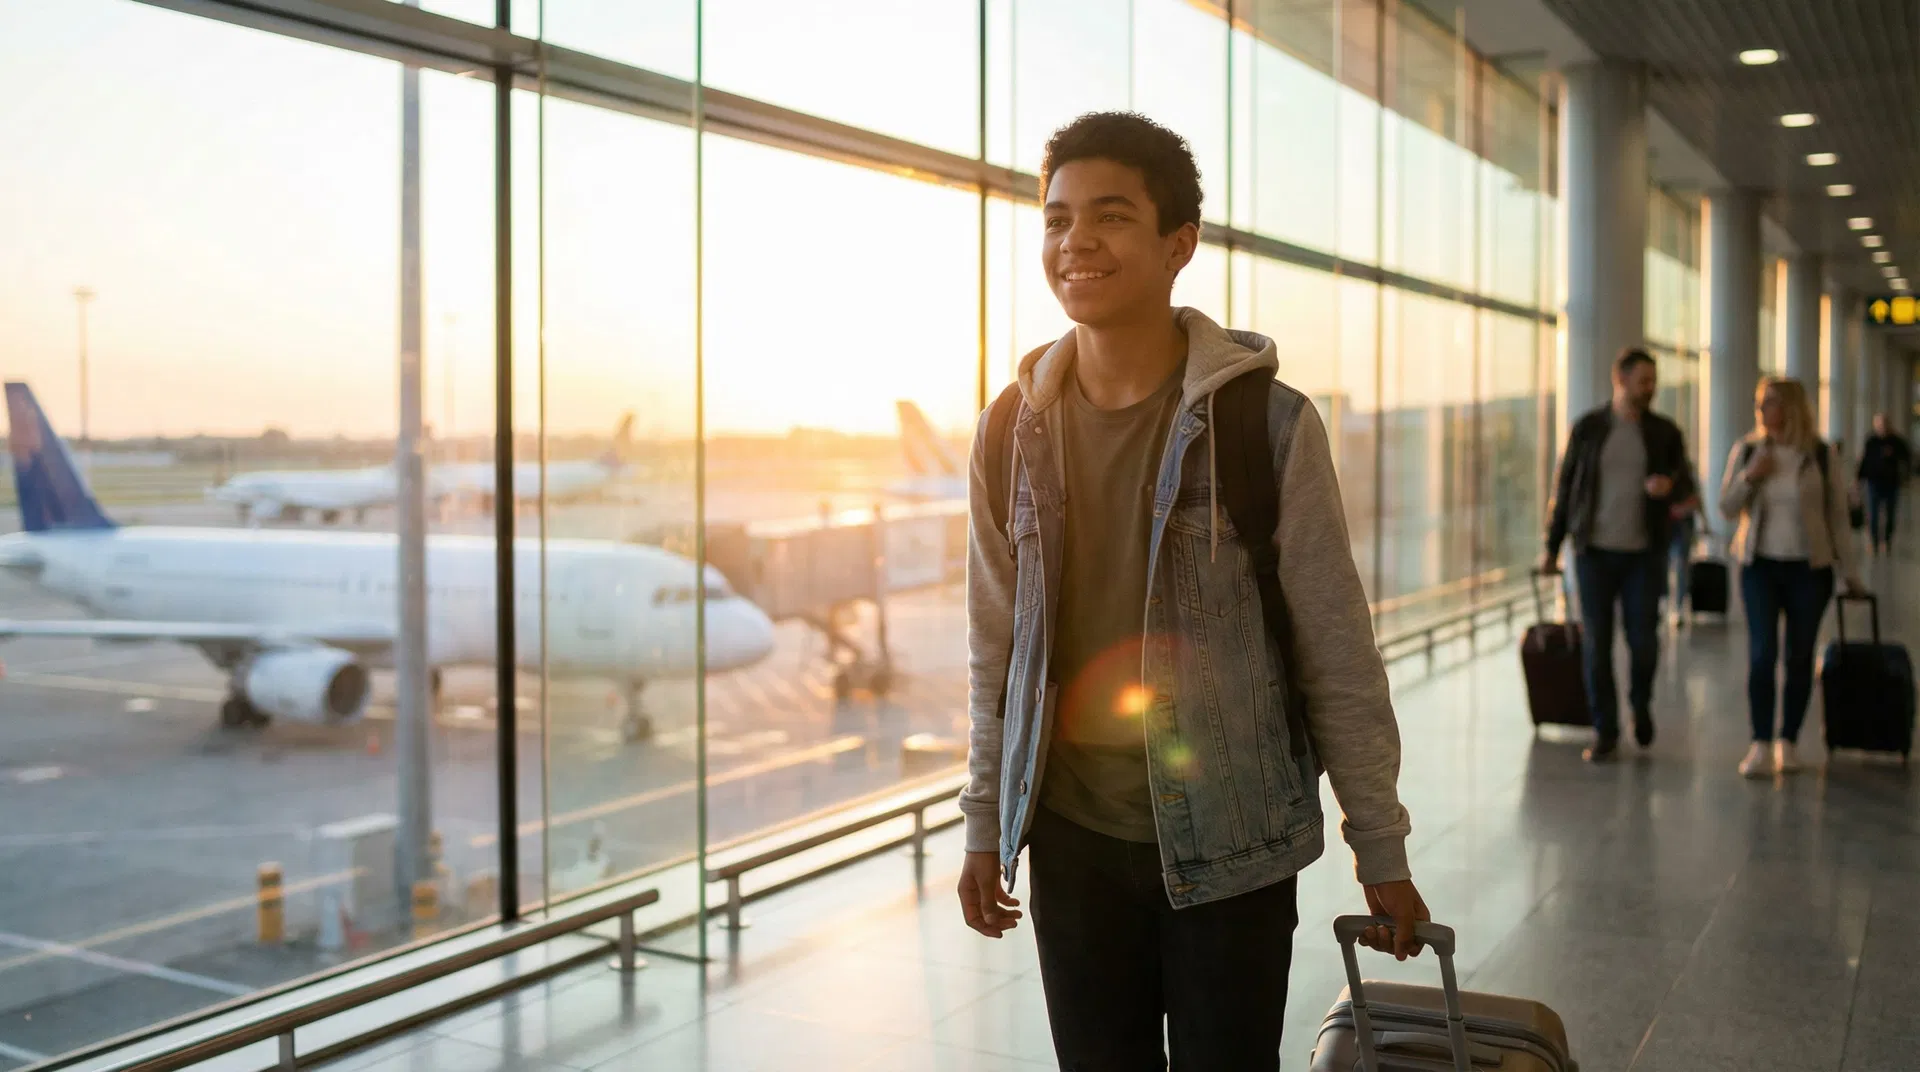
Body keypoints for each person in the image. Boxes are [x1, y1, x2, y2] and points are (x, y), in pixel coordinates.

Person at [956, 112, 1426, 1071]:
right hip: (1073, 839)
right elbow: (994, 644)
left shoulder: (1267, 424)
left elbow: (1335, 648)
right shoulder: (1013, 429)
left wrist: (1379, 845)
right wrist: (981, 820)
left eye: (1110, 216)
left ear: (1180, 244)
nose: (1075, 240)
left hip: (1233, 846)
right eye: (1055, 219)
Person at [1540, 349, 1696, 762]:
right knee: (1597, 644)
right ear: (1620, 379)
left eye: (1653, 380)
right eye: (1644, 380)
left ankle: (1640, 704)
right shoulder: (1589, 429)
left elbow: (1687, 485)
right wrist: (1551, 548)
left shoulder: (1665, 432)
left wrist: (1670, 490)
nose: (1651, 388)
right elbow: (1567, 488)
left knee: (1644, 642)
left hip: (1644, 554)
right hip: (1593, 553)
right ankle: (1605, 730)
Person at [1720, 378, 1865, 777]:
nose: (1762, 410)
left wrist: (1850, 573)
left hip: (1808, 569)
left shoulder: (1819, 454)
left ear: (1791, 407)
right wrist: (1751, 475)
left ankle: (1788, 741)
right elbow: (1727, 508)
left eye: (1769, 403)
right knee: (1762, 654)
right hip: (1759, 566)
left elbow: (1837, 516)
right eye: (1759, 402)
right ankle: (1760, 743)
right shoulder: (1748, 450)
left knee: (1799, 656)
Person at [1857, 413, 1912, 554]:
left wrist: (1904, 475)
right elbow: (1864, 460)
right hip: (1874, 483)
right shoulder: (1871, 441)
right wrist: (1858, 479)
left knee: (1890, 515)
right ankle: (1874, 542)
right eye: (1878, 424)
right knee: (1873, 515)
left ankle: (1887, 541)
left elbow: (1907, 457)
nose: (1881, 428)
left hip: (1891, 484)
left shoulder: (1896, 441)